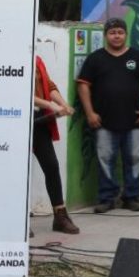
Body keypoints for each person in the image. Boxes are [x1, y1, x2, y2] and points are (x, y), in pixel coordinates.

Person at [76, 17, 139, 213]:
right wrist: (90, 113)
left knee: (135, 157)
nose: (116, 36)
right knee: (105, 157)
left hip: (135, 119)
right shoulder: (95, 58)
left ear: (126, 34)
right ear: (106, 36)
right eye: (112, 32)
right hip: (103, 120)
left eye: (120, 32)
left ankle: (131, 197)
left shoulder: (137, 57)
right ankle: (106, 198)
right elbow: (83, 85)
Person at [32, 55, 80, 234]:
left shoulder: (36, 58)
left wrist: (62, 104)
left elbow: (48, 85)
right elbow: (19, 91)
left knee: (51, 166)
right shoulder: (10, 56)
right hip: (16, 117)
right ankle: (17, 219)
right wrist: (51, 106)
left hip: (38, 119)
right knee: (19, 171)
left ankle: (60, 216)